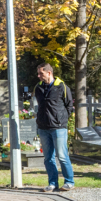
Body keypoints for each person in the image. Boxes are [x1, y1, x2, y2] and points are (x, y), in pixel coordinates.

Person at [34, 63, 75, 192]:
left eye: (41, 73)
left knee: (62, 155)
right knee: (48, 158)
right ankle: (52, 183)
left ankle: (69, 181)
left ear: (49, 73)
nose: (38, 76)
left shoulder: (61, 86)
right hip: (43, 127)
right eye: (38, 73)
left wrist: (61, 120)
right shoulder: (38, 88)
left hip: (58, 127)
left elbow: (69, 106)